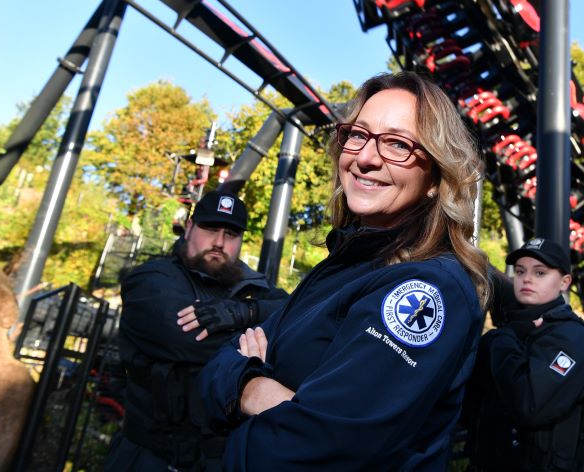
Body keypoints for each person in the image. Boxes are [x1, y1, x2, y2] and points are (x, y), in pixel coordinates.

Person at [198, 71, 490, 470]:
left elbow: (315, 451)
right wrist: (254, 385)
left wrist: (244, 389)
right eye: (358, 135)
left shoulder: (427, 288)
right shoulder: (346, 264)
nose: (366, 158)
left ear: (435, 179)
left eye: (398, 144)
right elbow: (216, 369)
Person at [105, 191, 289, 472]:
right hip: (150, 458)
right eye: (210, 229)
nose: (218, 242)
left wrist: (247, 312)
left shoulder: (256, 289)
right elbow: (186, 337)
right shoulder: (152, 279)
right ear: (189, 228)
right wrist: (262, 339)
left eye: (230, 233)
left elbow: (297, 316)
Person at [463, 237, 584, 471]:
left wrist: (500, 339)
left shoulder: (571, 337)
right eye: (520, 271)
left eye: (540, 273)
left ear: (565, 282)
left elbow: (530, 404)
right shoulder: (518, 329)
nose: (526, 278)